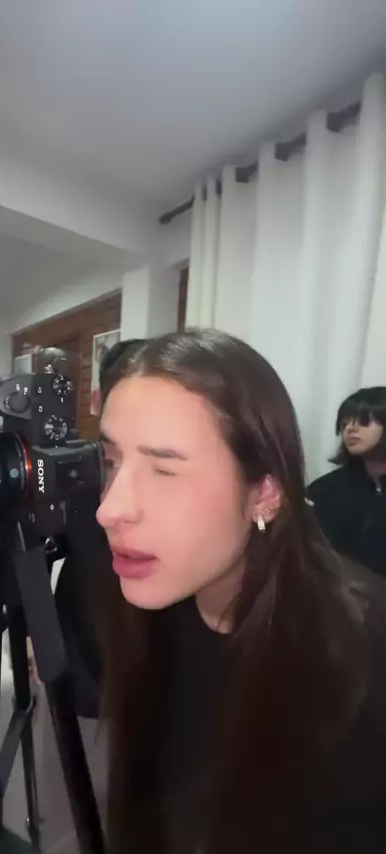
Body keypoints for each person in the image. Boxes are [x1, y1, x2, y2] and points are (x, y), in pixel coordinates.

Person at [96, 329, 386, 854]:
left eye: (163, 470)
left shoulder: (361, 652)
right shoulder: (149, 597)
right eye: (112, 461)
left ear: (265, 492)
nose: (110, 509)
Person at [52, 337, 144, 716]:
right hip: (79, 658)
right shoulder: (68, 467)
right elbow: (29, 551)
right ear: (97, 400)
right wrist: (29, 634)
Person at [308, 387, 386, 578]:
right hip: (331, 591)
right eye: (344, 424)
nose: (350, 429)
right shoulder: (325, 488)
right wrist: (262, 515)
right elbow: (269, 528)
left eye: (364, 421)